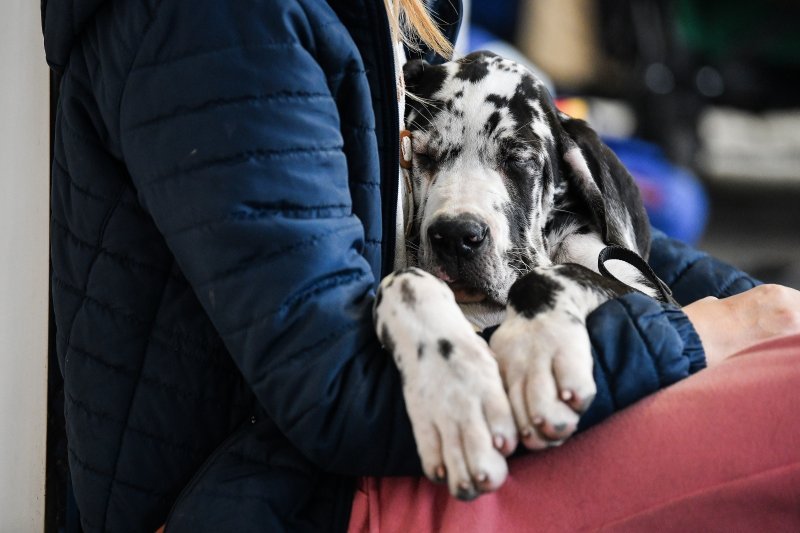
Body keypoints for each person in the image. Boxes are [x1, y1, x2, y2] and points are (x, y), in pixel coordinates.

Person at [42, 0, 800, 531]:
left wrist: (759, 309)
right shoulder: (218, 25)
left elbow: (564, 216)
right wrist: (693, 337)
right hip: (289, 497)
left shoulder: (386, 16)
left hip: (380, 453)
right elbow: (338, 390)